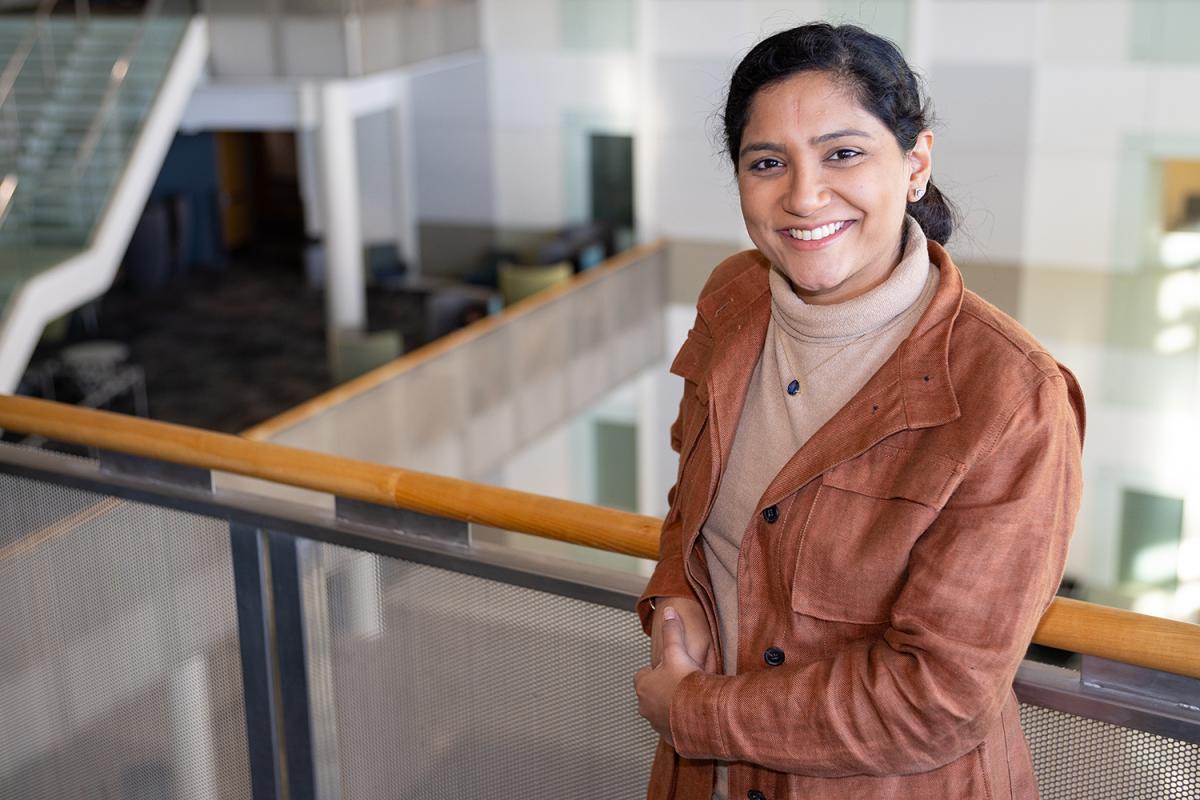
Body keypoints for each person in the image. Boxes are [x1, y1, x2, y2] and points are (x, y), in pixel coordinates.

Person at [632, 22, 1084, 800]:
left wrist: (695, 711)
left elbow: (937, 700)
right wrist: (677, 596)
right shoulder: (731, 298)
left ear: (915, 164)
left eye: (844, 153)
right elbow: (692, 495)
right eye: (767, 163)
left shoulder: (1012, 397)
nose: (804, 195)